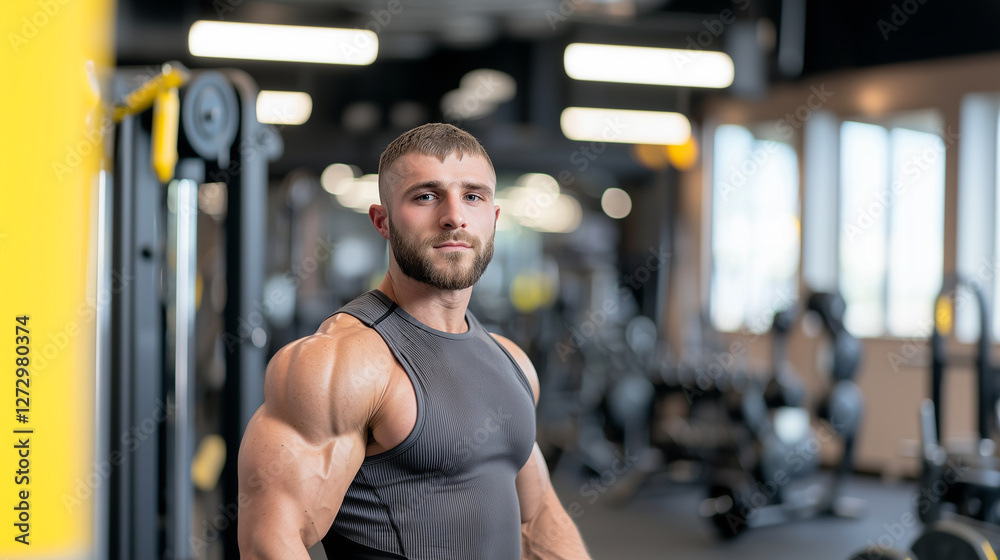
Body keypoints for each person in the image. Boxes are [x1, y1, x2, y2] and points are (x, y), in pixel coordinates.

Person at [238, 123, 591, 559]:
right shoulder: (342, 361)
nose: (454, 216)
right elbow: (269, 541)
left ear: (494, 218)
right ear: (382, 221)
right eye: (426, 196)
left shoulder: (512, 362)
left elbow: (537, 519)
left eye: (473, 196)